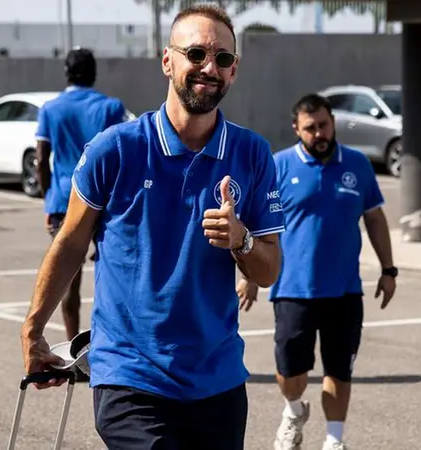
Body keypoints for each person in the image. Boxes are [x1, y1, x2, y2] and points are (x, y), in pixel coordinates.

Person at [20, 5, 284, 450]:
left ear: (234, 71)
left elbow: (269, 271)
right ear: (168, 61)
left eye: (222, 59)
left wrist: (240, 239)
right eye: (196, 53)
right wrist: (33, 329)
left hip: (217, 383)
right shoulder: (115, 149)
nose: (208, 67)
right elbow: (69, 244)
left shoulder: (253, 154)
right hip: (130, 376)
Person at [237, 93, 398, 450]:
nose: (319, 133)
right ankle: (294, 411)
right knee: (290, 374)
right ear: (297, 129)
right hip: (293, 290)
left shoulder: (356, 164)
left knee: (339, 371)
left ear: (333, 123)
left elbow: (374, 217)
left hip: (344, 291)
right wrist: (249, 276)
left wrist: (389, 269)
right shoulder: (279, 167)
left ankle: (333, 439)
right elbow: (261, 225)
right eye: (310, 128)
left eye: (324, 125)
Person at [33, 46, 129, 368]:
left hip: (64, 203)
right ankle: (117, 348)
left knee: (67, 282)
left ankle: (76, 355)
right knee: (114, 279)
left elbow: (41, 160)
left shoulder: (50, 108)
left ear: (66, 73)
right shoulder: (111, 107)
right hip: (107, 205)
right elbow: (122, 156)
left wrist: (49, 199)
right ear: (94, 73)